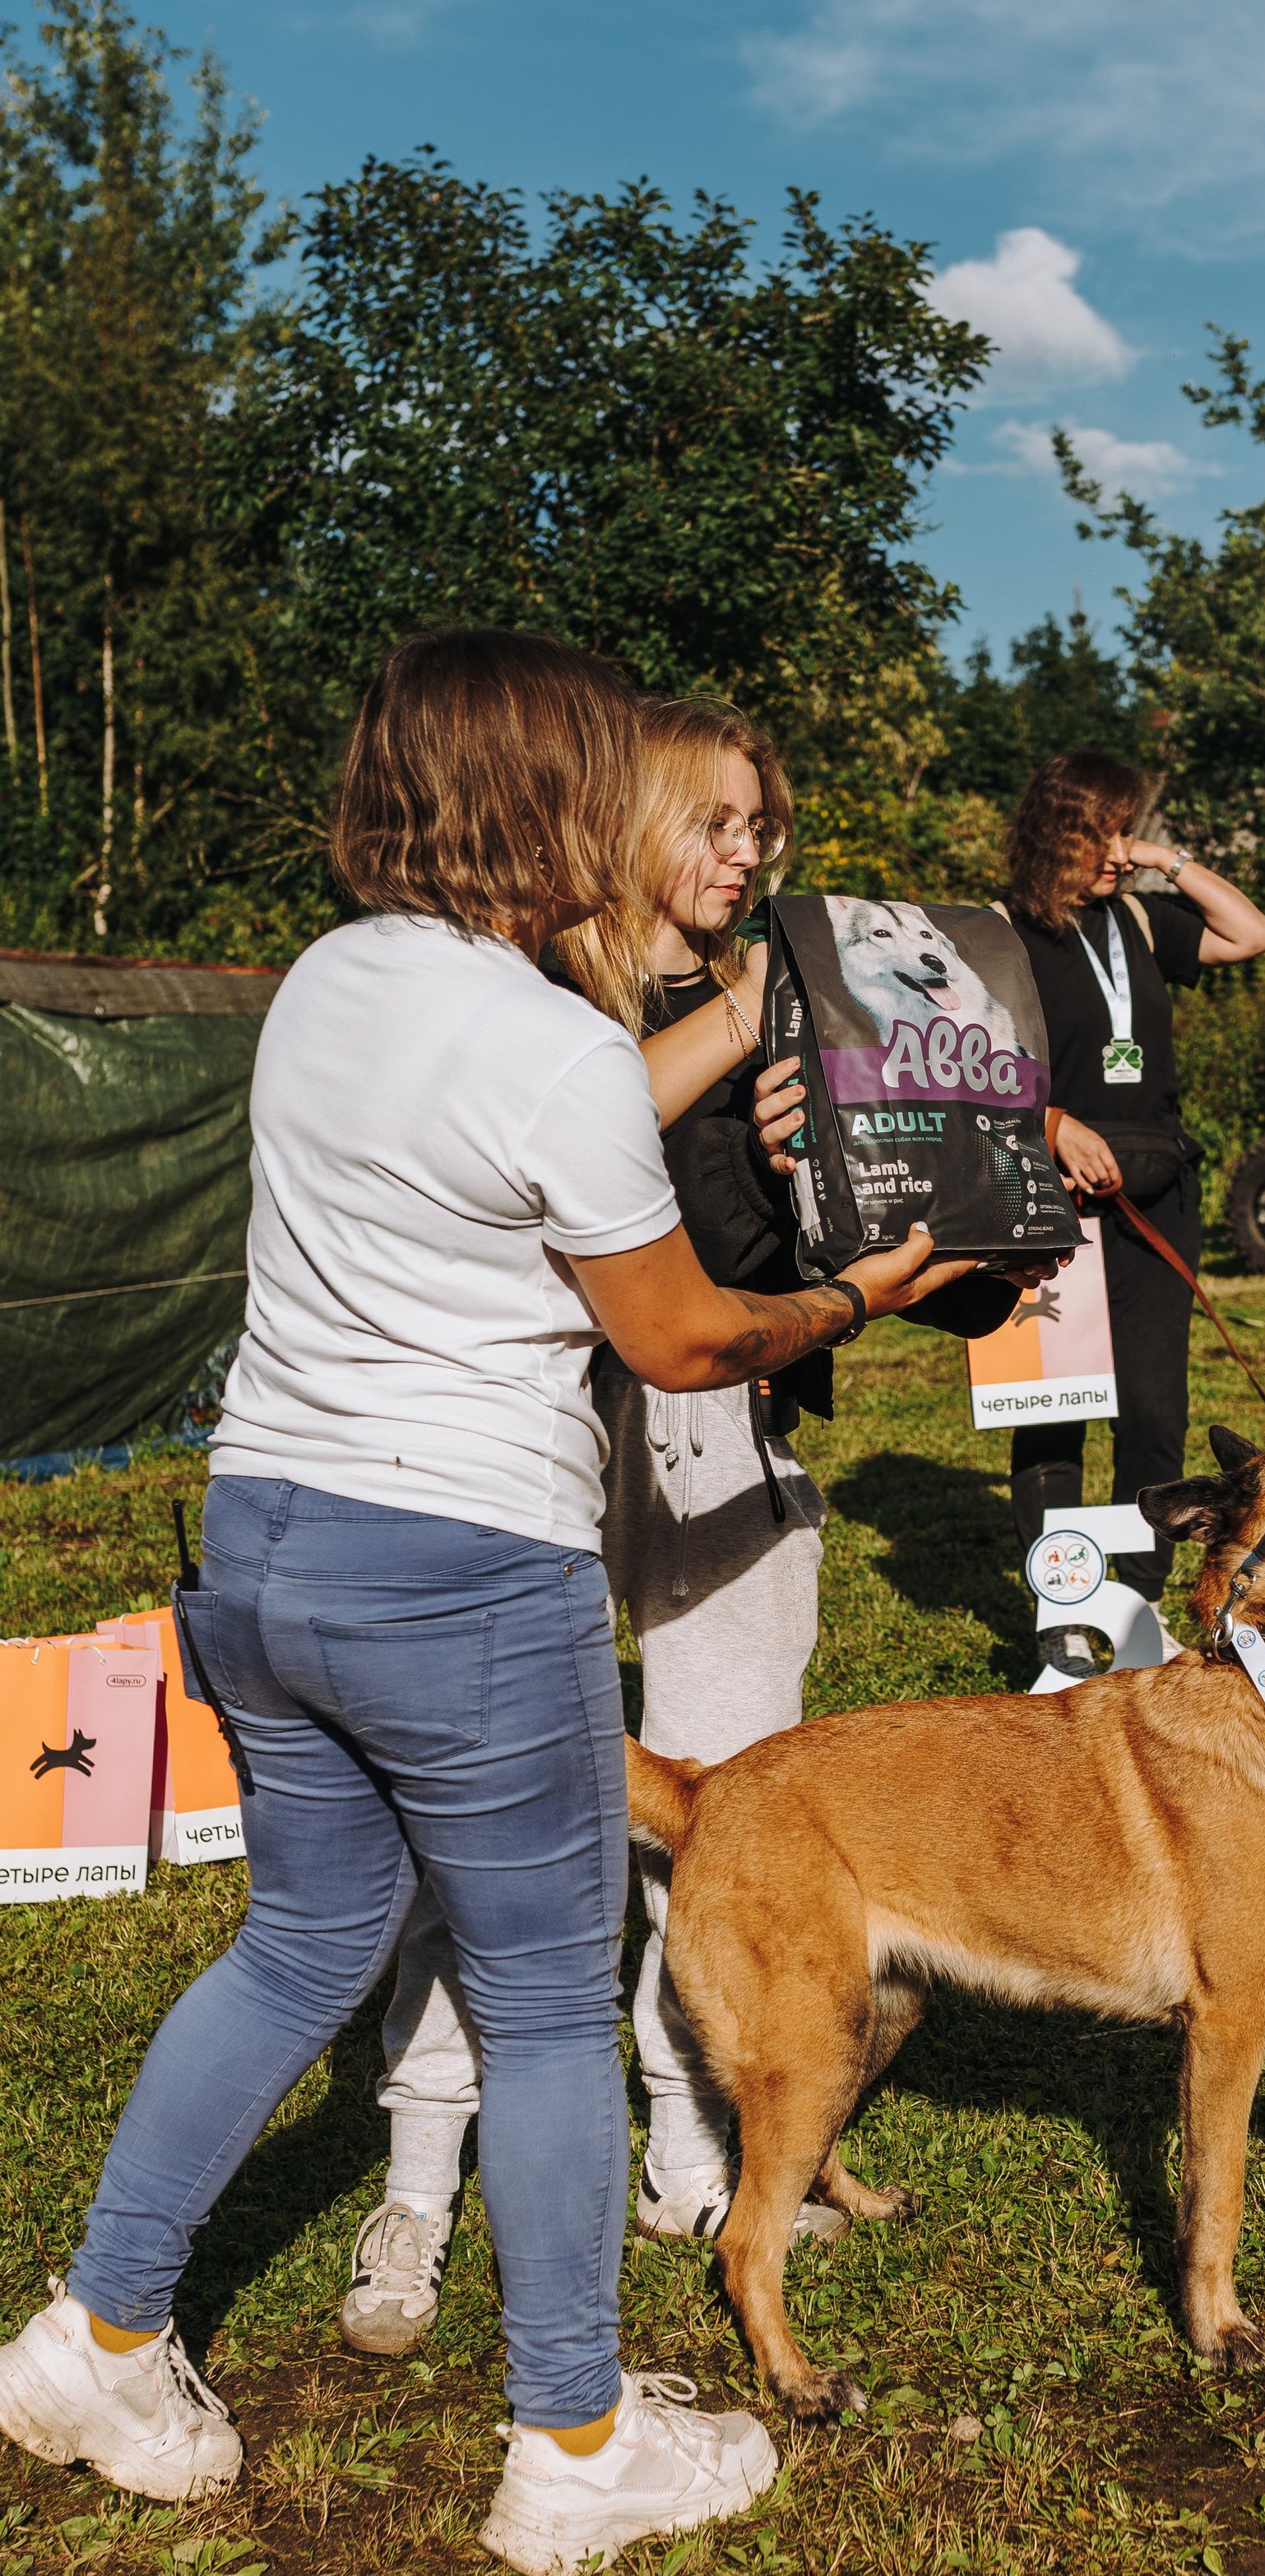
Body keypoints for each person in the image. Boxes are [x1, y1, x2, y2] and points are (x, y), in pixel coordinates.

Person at [0, 632, 980, 2570]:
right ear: (541, 798)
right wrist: (863, 1292)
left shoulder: (326, 988)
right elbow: (687, 1340)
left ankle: (95, 2338)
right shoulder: (545, 1050)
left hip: (270, 1535)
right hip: (460, 1562)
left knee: (300, 1945)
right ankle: (575, 2443)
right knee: (544, 2001)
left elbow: (543, 1114)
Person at [341, 699, 1017, 2356]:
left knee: (728, 1820)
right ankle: (420, 2177)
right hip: (531, 1446)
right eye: (714, 822)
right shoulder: (521, 993)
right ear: (615, 812)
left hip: (728, 1433)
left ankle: (693, 2151)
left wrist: (873, 1188)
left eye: (757, 830)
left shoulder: (792, 997)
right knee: (479, 1821)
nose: (745, 855)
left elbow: (774, 1262)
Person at [1001, 750, 1265, 1654]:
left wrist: (1168, 861)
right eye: (1105, 832)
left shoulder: (1141, 920)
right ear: (1059, 833)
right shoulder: (1001, 933)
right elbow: (968, 1074)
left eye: (1126, 830)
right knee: (1055, 1412)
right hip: (1048, 1202)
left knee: (1153, 1407)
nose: (1118, 849)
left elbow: (1253, 932)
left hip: (1155, 1199)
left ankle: (1141, 1594)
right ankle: (1063, 1603)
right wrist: (1051, 1123)